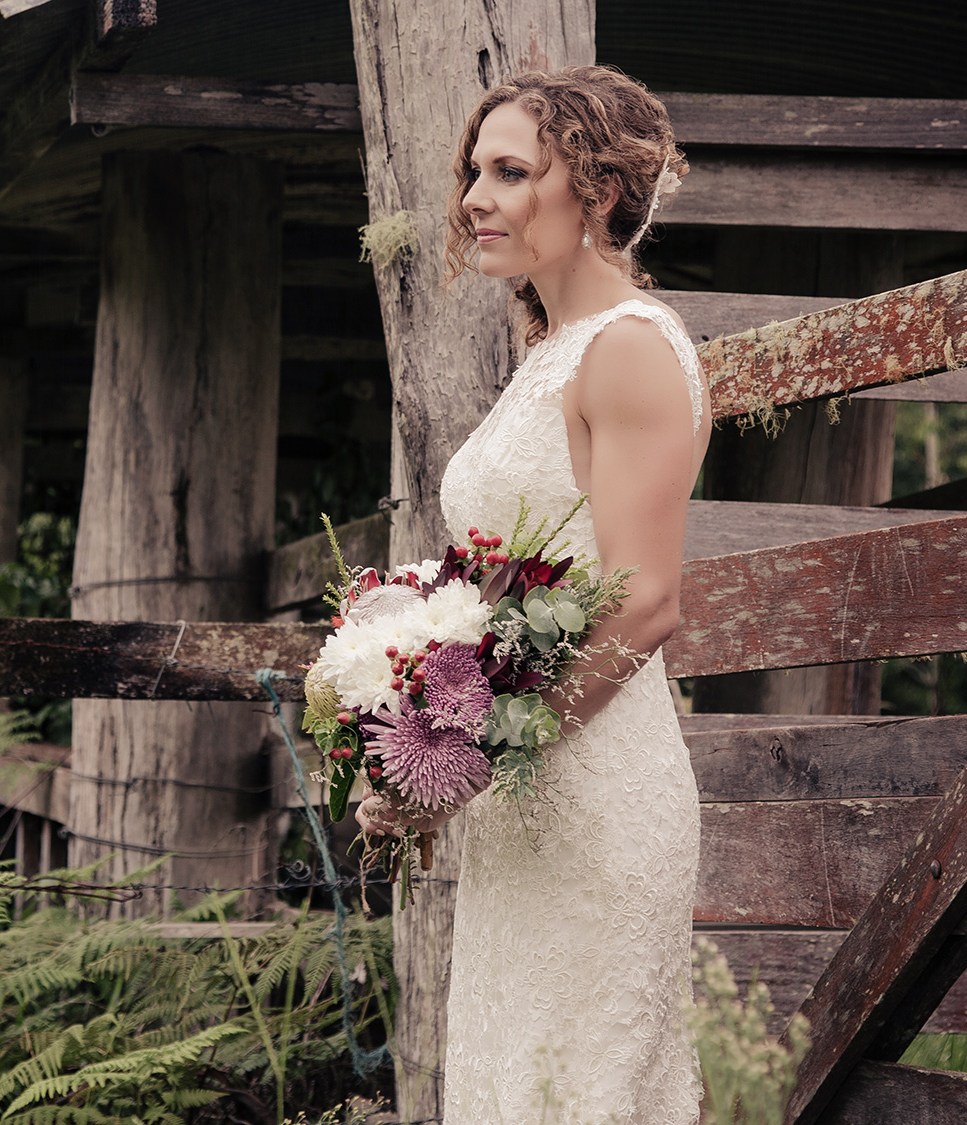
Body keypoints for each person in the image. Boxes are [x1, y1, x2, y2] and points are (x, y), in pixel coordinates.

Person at [356, 65, 708, 1123]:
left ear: (598, 191)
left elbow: (642, 605)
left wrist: (460, 761)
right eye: (475, 171)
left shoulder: (631, 353)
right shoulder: (547, 352)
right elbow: (506, 583)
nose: (473, 196)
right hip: (521, 811)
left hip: (597, 800)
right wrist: (418, 693)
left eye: (510, 171)